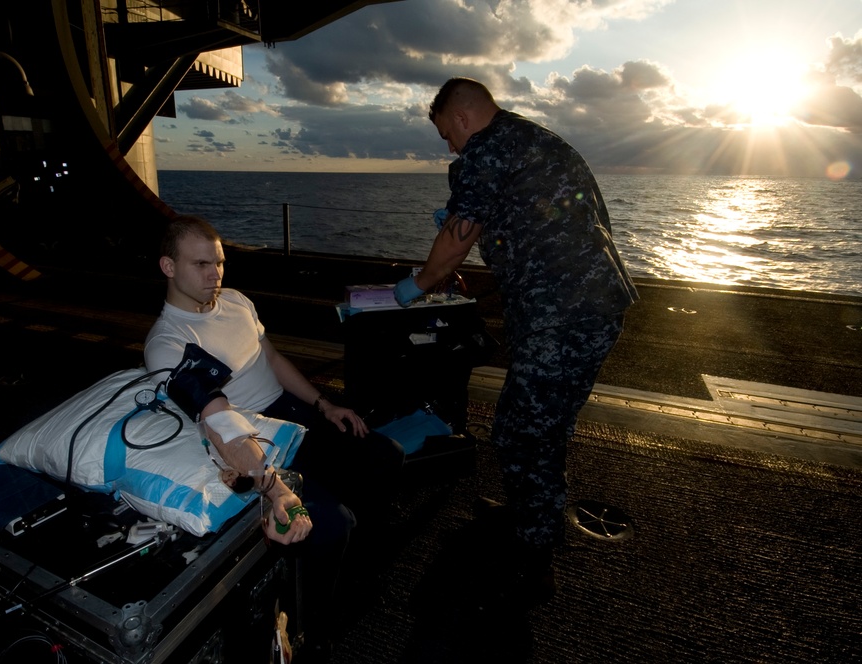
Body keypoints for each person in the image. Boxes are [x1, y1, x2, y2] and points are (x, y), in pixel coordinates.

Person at [395, 77, 639, 604]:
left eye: (446, 135)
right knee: (543, 428)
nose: (450, 146)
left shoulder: (485, 149)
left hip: (561, 316)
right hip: (594, 307)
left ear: (460, 117)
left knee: (519, 433)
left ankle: (534, 558)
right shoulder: (539, 141)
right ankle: (531, 517)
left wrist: (418, 283)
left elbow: (457, 239)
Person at [144, 214, 405, 660]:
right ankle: (317, 623)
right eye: (202, 265)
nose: (216, 275)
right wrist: (273, 487)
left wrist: (324, 404)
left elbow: (271, 357)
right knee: (330, 523)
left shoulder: (235, 301)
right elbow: (220, 422)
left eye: (220, 262)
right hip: (253, 438)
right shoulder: (168, 344)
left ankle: (358, 564)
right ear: (168, 267)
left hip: (291, 413)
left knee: (384, 455)